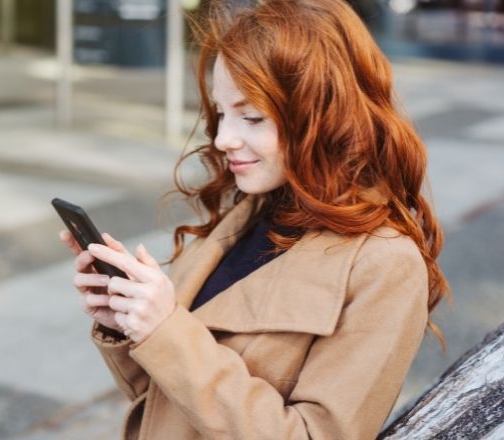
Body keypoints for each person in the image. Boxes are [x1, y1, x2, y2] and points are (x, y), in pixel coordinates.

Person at [59, 0, 450, 438]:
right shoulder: (251, 213)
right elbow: (164, 405)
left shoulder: (385, 266)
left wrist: (165, 329)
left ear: (324, 116)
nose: (224, 138)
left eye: (252, 117)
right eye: (223, 113)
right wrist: (129, 326)